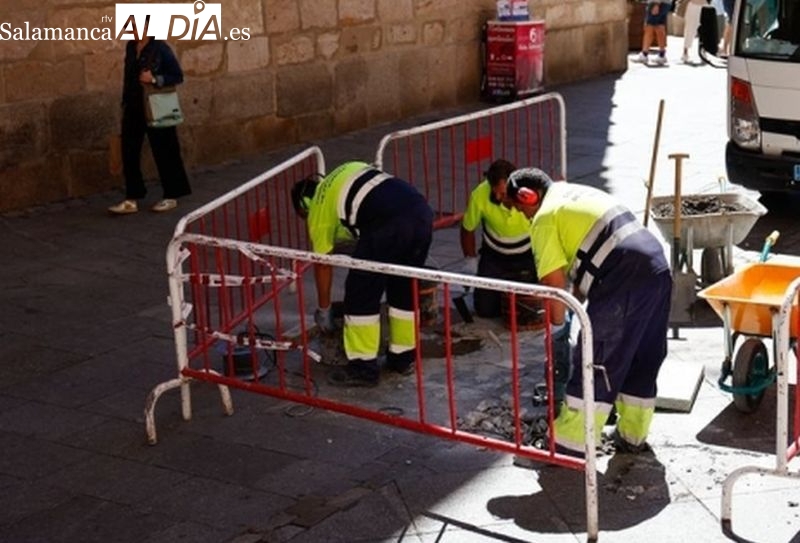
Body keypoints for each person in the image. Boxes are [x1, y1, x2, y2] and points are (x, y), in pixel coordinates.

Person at [506, 168, 672, 457]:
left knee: (595, 359)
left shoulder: (544, 218)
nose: (523, 216)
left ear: (528, 196)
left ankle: (570, 443)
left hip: (624, 275)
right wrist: (577, 307)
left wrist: (558, 330)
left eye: (520, 209)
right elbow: (585, 263)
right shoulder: (571, 193)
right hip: (656, 265)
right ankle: (633, 436)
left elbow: (554, 286)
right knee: (641, 355)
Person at [291, 162, 434, 387]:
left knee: (360, 292)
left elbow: (323, 264)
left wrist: (325, 309)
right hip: (420, 212)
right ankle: (403, 358)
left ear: (303, 206)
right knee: (403, 287)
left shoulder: (317, 209)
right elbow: (361, 212)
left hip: (388, 224)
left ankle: (363, 368)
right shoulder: (346, 169)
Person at [109, 31, 191, 215]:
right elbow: (128, 78)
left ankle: (172, 195)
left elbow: (177, 75)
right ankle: (132, 197)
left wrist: (154, 79)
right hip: (133, 107)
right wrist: (124, 104)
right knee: (129, 151)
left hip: (155, 106)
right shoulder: (131, 47)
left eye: (136, 24)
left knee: (166, 150)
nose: (133, 28)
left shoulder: (161, 48)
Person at [460, 159, 538, 318]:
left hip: (526, 255)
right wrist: (470, 261)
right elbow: (467, 229)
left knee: (527, 310)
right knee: (485, 310)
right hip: (494, 256)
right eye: (494, 191)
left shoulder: (530, 194)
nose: (498, 196)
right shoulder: (480, 194)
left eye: (502, 193)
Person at [632, 1, 671, 66]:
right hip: (665, 3)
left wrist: (656, 3)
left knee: (649, 27)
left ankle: (644, 54)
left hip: (656, 2)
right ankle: (661, 55)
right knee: (659, 27)